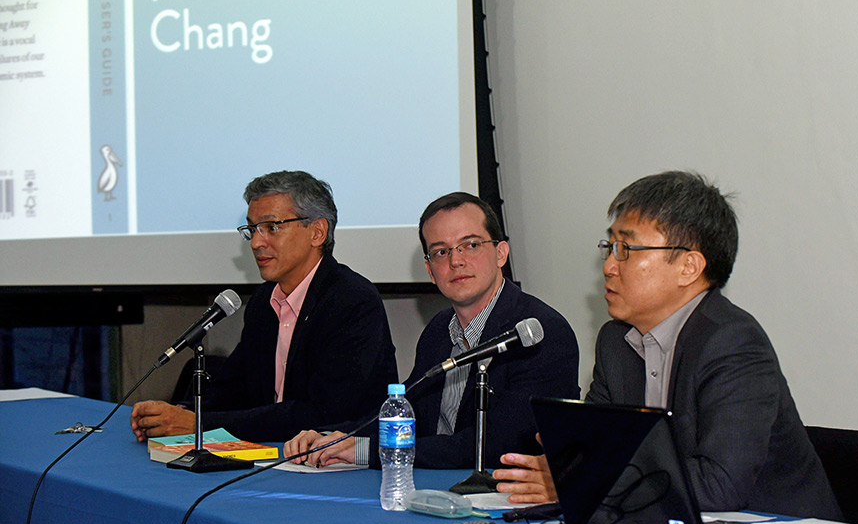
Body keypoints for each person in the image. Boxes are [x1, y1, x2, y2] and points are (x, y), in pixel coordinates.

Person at [494, 171, 842, 520]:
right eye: (610, 247)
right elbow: (593, 450)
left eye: (626, 249)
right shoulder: (615, 341)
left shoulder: (733, 343)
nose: (610, 266)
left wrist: (584, 476)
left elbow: (721, 485)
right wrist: (566, 465)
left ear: (689, 267)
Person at [285, 192, 580, 469]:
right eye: (441, 252)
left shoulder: (538, 333)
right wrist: (333, 437)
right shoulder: (439, 330)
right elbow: (408, 412)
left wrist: (366, 451)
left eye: (472, 245)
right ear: (429, 271)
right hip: (430, 488)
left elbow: (500, 444)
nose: (456, 261)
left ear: (501, 253)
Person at [130, 171, 398, 442]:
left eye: (271, 227)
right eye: (252, 229)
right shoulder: (264, 301)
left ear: (317, 232)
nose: (257, 243)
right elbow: (235, 388)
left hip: (339, 466)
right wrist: (177, 414)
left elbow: (323, 413)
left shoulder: (352, 301)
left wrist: (200, 424)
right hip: (273, 454)